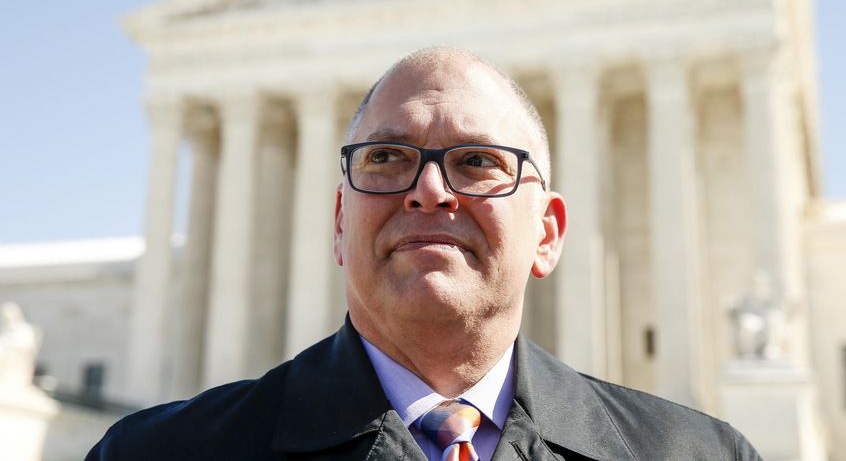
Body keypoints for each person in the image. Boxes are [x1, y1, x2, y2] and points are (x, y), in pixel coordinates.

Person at [87, 47, 761, 460]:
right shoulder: (156, 453)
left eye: (475, 161)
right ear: (338, 220)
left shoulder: (698, 455)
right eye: (386, 158)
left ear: (548, 233)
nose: (428, 191)